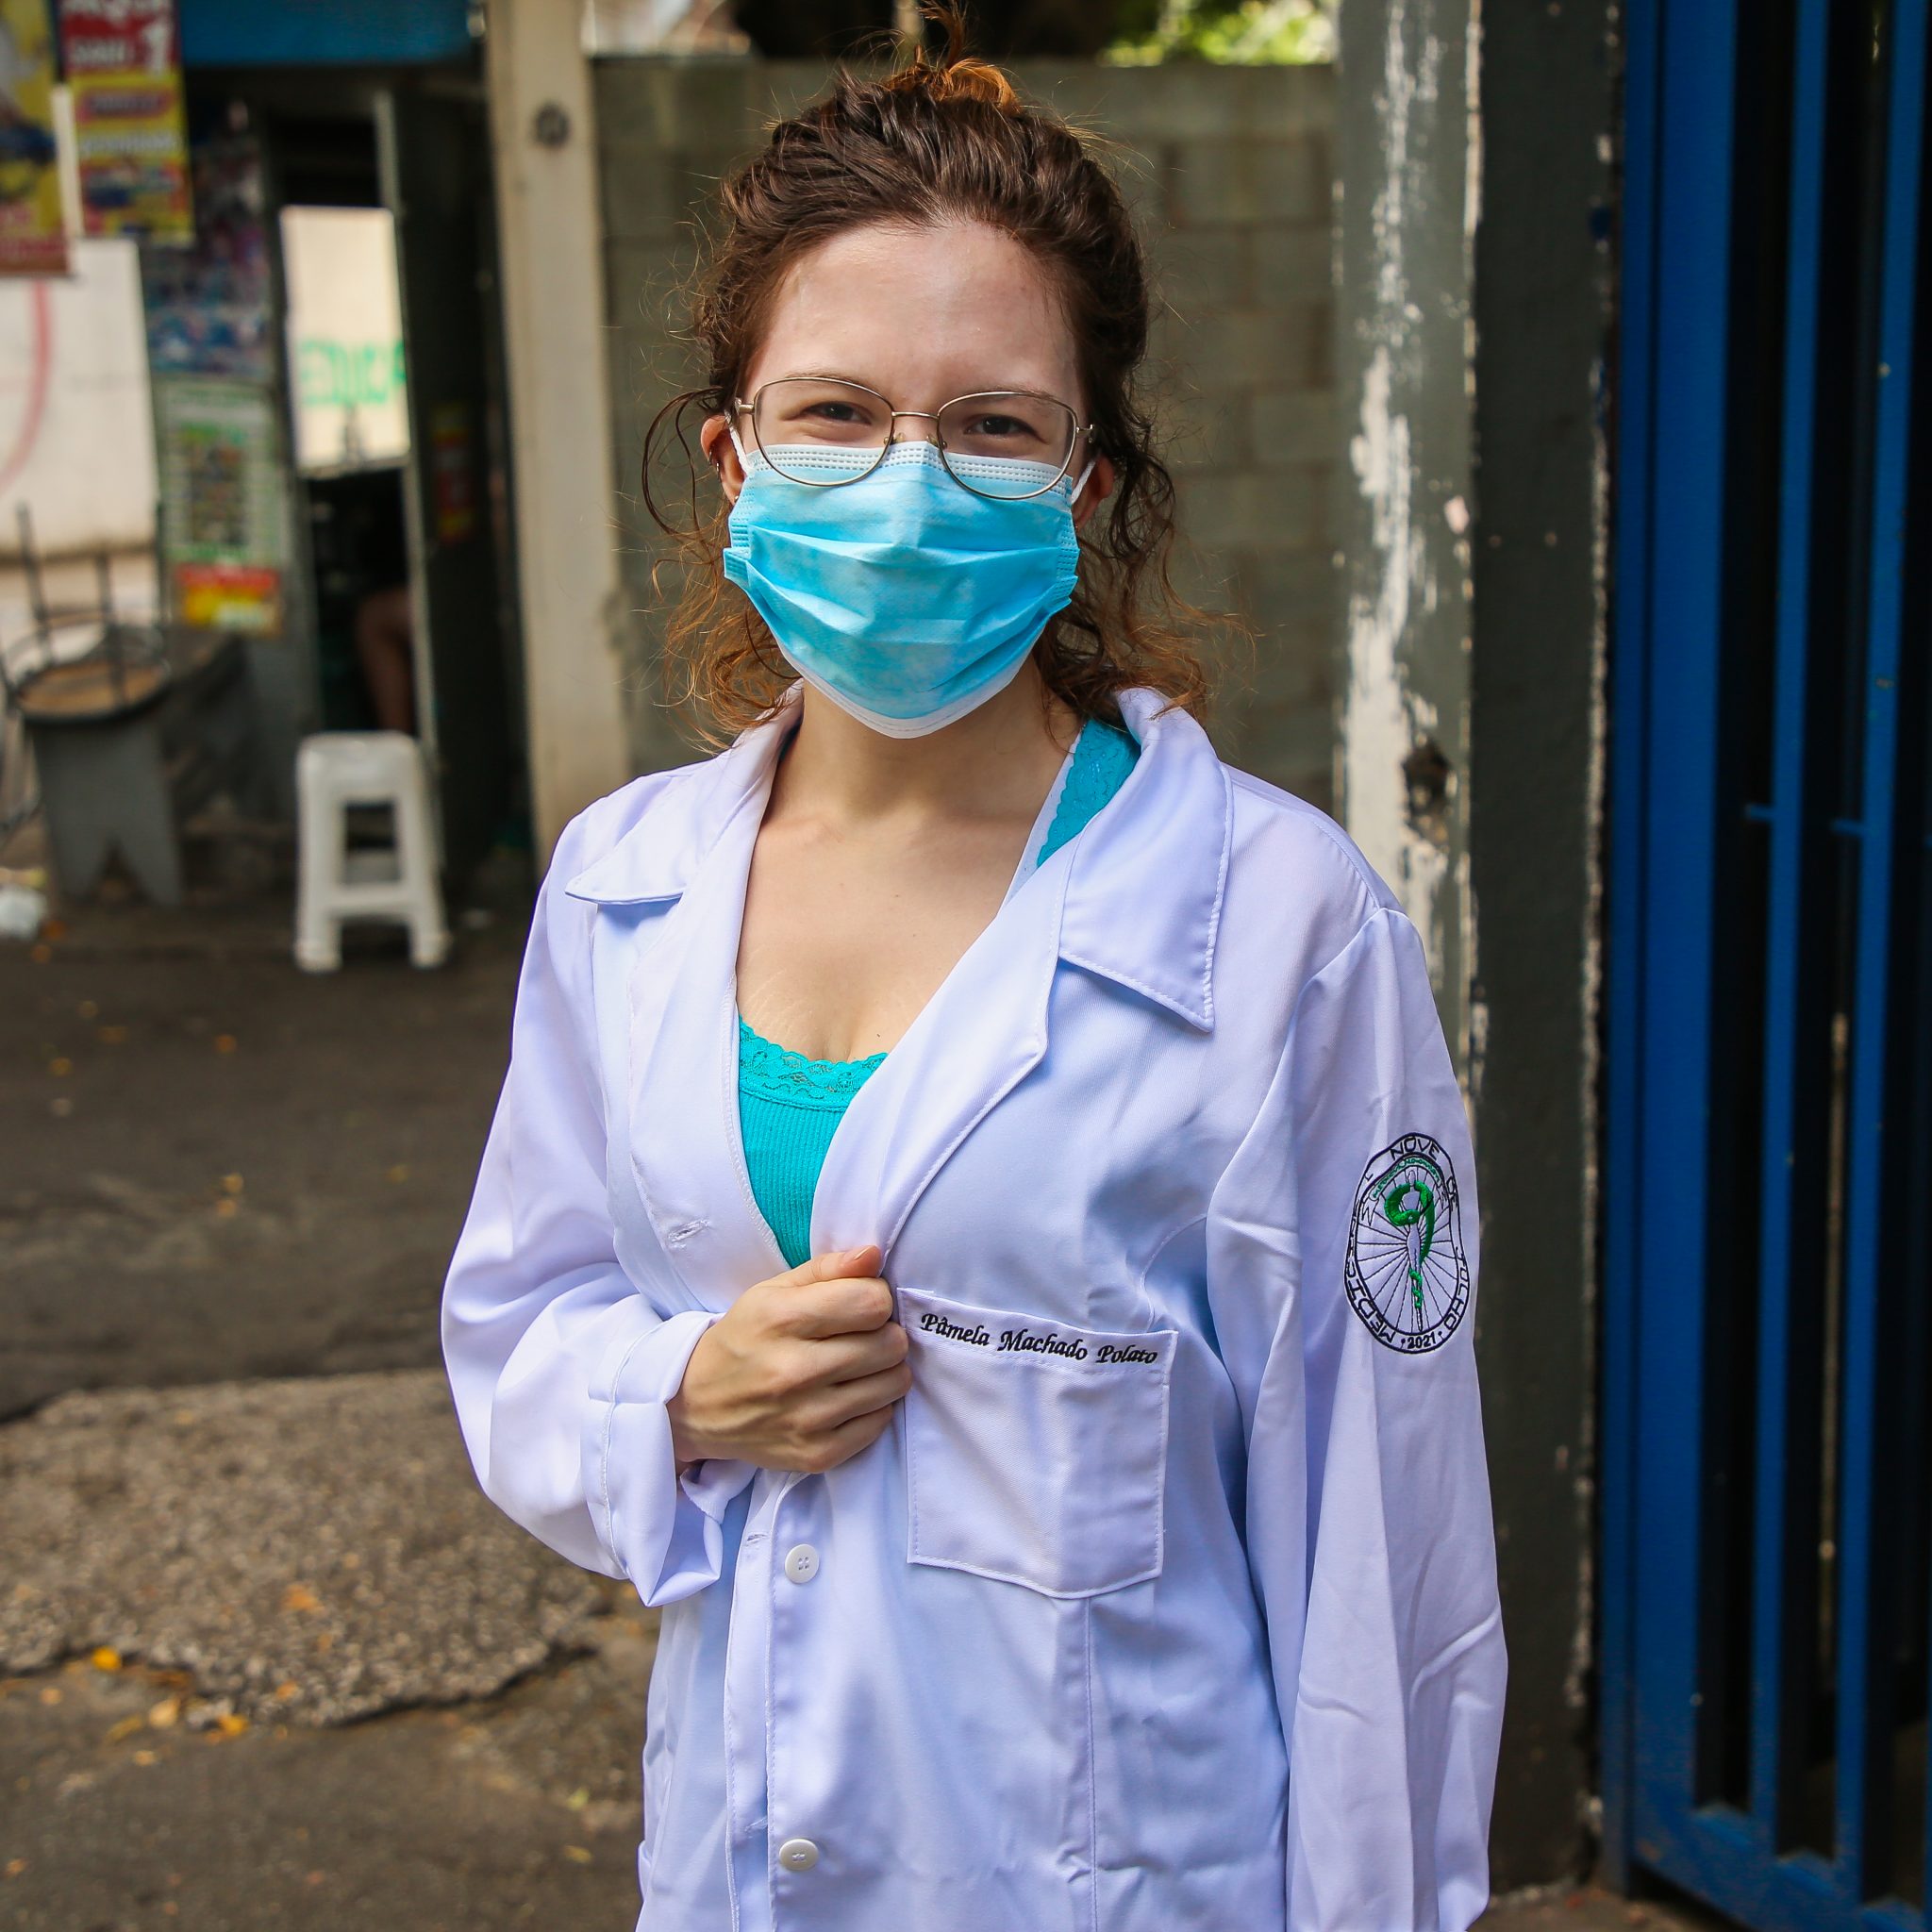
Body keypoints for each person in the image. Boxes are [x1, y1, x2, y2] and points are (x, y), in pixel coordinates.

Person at [441, 24, 1504, 1931]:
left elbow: (1385, 1556)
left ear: (1084, 480)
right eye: (837, 413)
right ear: (734, 457)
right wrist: (682, 1389)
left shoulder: (1281, 928)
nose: (907, 487)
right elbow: (521, 1322)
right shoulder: (623, 886)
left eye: (993, 426)